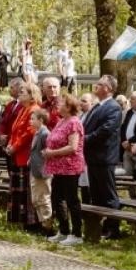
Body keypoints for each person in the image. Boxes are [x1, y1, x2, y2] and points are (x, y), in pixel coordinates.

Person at [45, 93, 87, 244]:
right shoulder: (62, 121)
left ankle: (77, 234)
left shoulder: (74, 122)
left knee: (71, 199)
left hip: (70, 166)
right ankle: (63, 231)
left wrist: (52, 153)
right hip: (58, 167)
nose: (58, 105)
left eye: (61, 103)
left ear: (69, 107)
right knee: (57, 198)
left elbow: (73, 147)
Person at [81, 76, 122, 210]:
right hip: (92, 157)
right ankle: (99, 228)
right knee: (96, 196)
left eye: (99, 84)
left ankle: (112, 228)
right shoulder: (97, 106)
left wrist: (85, 139)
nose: (95, 86)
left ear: (108, 88)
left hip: (104, 158)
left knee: (108, 195)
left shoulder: (114, 107)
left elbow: (105, 131)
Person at [5, 82, 43, 227]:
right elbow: (15, 130)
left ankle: (29, 221)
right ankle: (17, 219)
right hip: (16, 153)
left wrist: (14, 146)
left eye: (23, 92)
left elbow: (29, 133)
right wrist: (10, 144)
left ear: (31, 95)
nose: (19, 94)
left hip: (26, 154)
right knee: (17, 188)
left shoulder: (34, 110)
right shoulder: (23, 109)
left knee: (26, 189)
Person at [26, 108, 53, 229]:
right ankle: (42, 223)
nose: (30, 121)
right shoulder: (37, 132)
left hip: (42, 171)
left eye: (33, 119)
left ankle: (48, 226)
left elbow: (48, 151)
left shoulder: (45, 133)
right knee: (36, 198)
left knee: (43, 198)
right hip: (35, 170)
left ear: (41, 120)